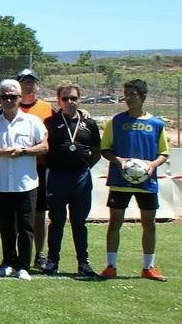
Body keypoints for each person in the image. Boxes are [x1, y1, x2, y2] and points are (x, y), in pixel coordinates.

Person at [101, 79, 169, 281]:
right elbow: (105, 149)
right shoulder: (116, 121)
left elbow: (164, 153)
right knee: (115, 222)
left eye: (133, 94)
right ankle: (111, 267)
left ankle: (148, 268)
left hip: (147, 183)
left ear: (143, 97)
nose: (128, 98)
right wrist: (119, 160)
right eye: (126, 94)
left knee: (149, 223)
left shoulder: (156, 124)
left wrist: (152, 166)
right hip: (120, 182)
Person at [0, 79, 47, 280]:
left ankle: (24, 266)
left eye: (13, 96)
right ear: (0, 99)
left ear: (20, 98)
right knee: (5, 227)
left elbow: (44, 147)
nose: (9, 100)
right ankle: (8, 261)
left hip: (26, 184)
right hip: (2, 184)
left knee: (25, 227)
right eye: (5, 96)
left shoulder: (32, 122)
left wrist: (22, 151)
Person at [44, 83, 101, 278]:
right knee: (56, 221)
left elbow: (96, 152)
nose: (70, 102)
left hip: (81, 179)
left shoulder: (90, 124)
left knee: (79, 223)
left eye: (73, 98)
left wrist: (84, 166)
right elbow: (44, 153)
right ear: (58, 100)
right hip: (57, 178)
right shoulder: (50, 123)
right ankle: (52, 262)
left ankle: (83, 264)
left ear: (80, 99)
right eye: (65, 98)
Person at [16, 68, 56, 270]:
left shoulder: (47, 108)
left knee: (39, 214)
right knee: (17, 217)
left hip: (40, 169)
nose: (28, 86)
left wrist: (84, 112)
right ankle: (16, 253)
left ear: (38, 86)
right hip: (15, 170)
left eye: (32, 82)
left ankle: (39, 254)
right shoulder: (8, 106)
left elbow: (62, 124)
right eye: (24, 82)